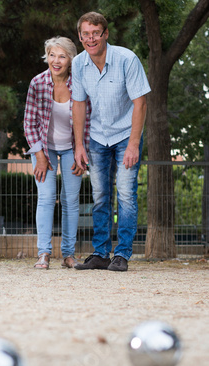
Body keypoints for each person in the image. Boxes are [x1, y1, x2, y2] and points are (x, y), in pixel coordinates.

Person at [72, 12, 150, 272]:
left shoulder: (127, 59)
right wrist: (80, 145)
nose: (91, 38)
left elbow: (140, 103)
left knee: (126, 195)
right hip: (97, 137)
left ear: (105, 34)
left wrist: (133, 144)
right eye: (86, 34)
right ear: (81, 37)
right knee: (100, 196)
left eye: (96, 33)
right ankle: (100, 253)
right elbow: (79, 104)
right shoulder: (79, 63)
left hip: (126, 134)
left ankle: (122, 254)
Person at [24, 36, 91, 270]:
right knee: (45, 198)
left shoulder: (80, 83)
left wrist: (83, 153)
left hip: (74, 147)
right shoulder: (37, 83)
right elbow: (29, 124)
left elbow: (89, 121)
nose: (56, 60)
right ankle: (43, 253)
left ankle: (68, 255)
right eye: (52, 55)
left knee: (71, 201)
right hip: (44, 148)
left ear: (71, 59)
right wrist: (39, 155)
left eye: (62, 56)